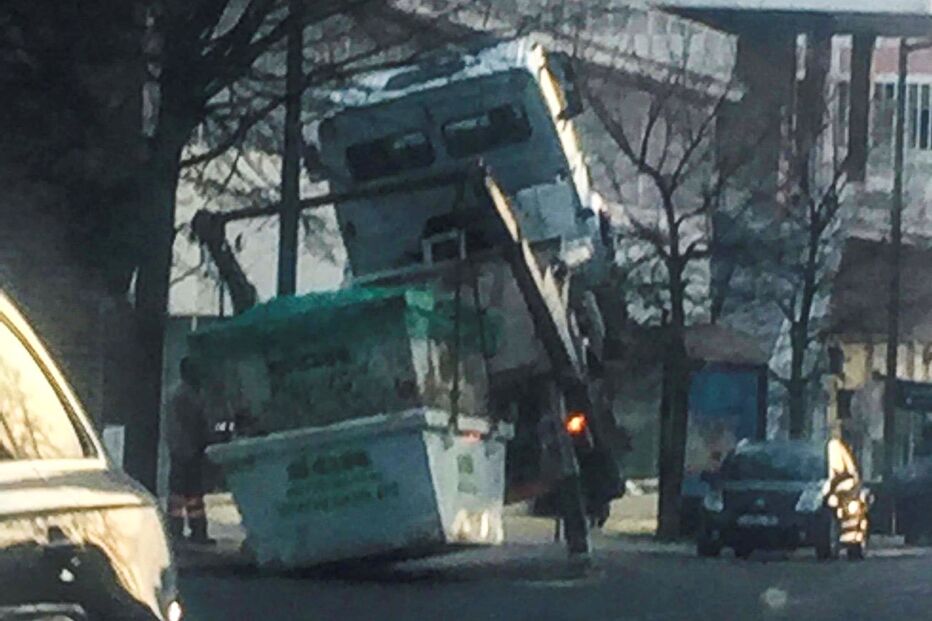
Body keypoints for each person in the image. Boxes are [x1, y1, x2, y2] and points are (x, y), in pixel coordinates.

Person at [166, 356, 214, 545]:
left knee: (181, 493)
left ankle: (178, 531)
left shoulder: (179, 393)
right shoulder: (186, 395)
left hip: (181, 449)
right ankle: (194, 532)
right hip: (188, 450)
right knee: (191, 493)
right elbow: (194, 424)